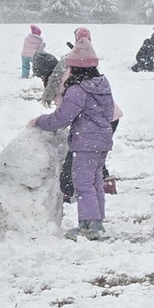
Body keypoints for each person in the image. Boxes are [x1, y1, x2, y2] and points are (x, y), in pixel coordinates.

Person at [31, 33, 115, 240]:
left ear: (75, 68)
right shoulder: (102, 85)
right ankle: (97, 221)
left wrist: (39, 121)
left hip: (86, 142)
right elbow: (109, 111)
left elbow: (62, 118)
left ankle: (89, 226)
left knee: (83, 184)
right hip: (102, 140)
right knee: (95, 182)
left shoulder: (78, 90)